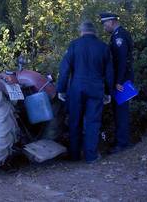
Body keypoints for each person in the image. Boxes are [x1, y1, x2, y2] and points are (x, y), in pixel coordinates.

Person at [56, 21, 113, 163]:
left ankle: (74, 156)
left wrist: (61, 89)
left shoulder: (74, 45)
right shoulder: (104, 47)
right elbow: (109, 73)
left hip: (76, 89)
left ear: (81, 31)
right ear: (95, 32)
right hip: (96, 89)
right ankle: (91, 156)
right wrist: (108, 92)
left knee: (75, 122)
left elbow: (64, 70)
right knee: (93, 123)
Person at [100, 12, 134, 154]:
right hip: (123, 79)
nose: (104, 27)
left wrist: (118, 81)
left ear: (112, 21)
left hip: (122, 80)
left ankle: (123, 143)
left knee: (121, 111)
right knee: (119, 111)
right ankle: (122, 140)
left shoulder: (119, 36)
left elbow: (121, 61)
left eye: (104, 24)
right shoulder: (117, 35)